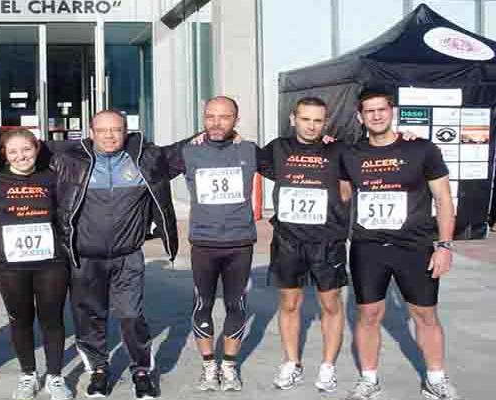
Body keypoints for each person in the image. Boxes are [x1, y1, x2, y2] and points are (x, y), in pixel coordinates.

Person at [340, 89, 460, 400]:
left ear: (392, 111)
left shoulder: (421, 149)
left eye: (382, 109)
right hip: (368, 247)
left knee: (425, 315)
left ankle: (435, 379)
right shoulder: (350, 154)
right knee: (367, 315)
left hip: (415, 246)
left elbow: (444, 200)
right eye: (370, 111)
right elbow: (340, 195)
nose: (377, 116)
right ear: (360, 116)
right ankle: (369, 379)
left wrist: (444, 246)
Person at [51, 109, 179, 400]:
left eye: (117, 130)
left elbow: (183, 152)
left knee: (131, 315)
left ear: (126, 131)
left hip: (128, 256)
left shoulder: (145, 159)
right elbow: (23, 153)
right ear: (91, 132)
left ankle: (142, 371)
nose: (110, 135)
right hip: (85, 258)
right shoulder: (70, 161)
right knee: (90, 317)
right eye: (103, 130)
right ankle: (98, 369)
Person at [162, 96, 273, 392]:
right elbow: (151, 166)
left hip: (240, 243)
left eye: (224, 117)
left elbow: (290, 164)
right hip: (204, 242)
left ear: (236, 120)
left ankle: (229, 367)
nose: (216, 122)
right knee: (203, 304)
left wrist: (327, 144)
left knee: (237, 304)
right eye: (210, 116)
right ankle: (209, 366)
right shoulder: (188, 152)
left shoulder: (249, 151)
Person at [257, 97, 351, 393]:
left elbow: (364, 169)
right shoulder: (277, 148)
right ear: (293, 119)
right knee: (289, 303)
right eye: (305, 119)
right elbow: (244, 157)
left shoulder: (339, 150)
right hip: (288, 239)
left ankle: (327, 367)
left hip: (328, 240)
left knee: (330, 304)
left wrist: (405, 136)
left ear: (326, 123)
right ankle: (291, 362)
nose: (311, 126)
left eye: (317, 120)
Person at [0, 129, 73, 400]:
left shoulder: (52, 177)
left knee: (52, 319)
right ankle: (28, 374)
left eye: (26, 149)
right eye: (13, 152)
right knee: (20, 320)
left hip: (50, 262)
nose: (20, 156)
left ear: (37, 148)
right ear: (4, 155)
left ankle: (55, 376)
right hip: (11, 265)